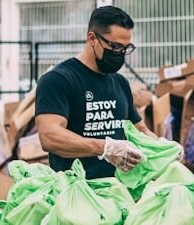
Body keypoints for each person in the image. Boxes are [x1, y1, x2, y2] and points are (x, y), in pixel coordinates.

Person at [35, 6, 157, 179]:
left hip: (118, 191)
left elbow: (140, 129)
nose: (120, 54)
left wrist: (163, 148)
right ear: (92, 38)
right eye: (114, 47)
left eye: (125, 48)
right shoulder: (58, 80)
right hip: (75, 192)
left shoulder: (120, 83)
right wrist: (105, 148)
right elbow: (50, 136)